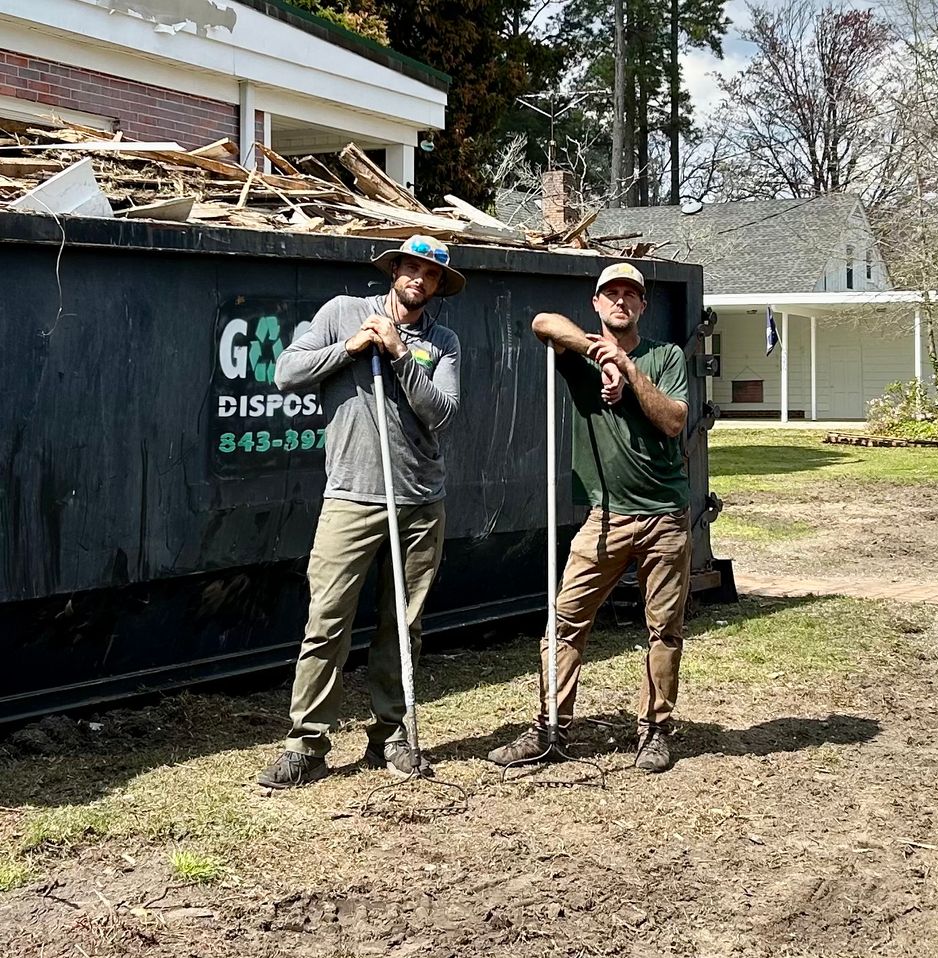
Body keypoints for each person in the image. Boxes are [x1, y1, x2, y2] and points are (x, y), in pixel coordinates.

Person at [258, 235, 465, 789]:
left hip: (420, 500)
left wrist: (399, 353)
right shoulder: (343, 313)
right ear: (394, 269)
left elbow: (441, 414)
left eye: (431, 274)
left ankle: (391, 737)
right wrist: (350, 349)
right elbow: (286, 373)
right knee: (326, 620)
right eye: (411, 267)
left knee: (402, 626)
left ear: (440, 286)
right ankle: (307, 744)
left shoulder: (442, 342)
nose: (418, 278)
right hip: (350, 496)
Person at [488, 262, 690, 774]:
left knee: (663, 629)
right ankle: (551, 727)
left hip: (665, 516)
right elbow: (541, 323)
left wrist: (627, 369)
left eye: (631, 295)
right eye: (611, 294)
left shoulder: (665, 356)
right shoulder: (578, 354)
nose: (621, 301)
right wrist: (597, 355)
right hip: (605, 518)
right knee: (565, 621)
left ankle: (656, 731)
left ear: (643, 306)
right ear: (597, 303)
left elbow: (672, 421)